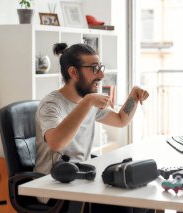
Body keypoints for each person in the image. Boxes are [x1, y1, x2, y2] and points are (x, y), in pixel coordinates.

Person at [33, 43, 150, 213]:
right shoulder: (51, 104)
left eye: (101, 67)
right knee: (123, 207)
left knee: (141, 198)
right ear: (73, 72)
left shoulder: (87, 101)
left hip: (84, 178)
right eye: (95, 68)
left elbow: (120, 119)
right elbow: (56, 143)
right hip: (54, 185)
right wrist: (88, 102)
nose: (102, 75)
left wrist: (133, 95)